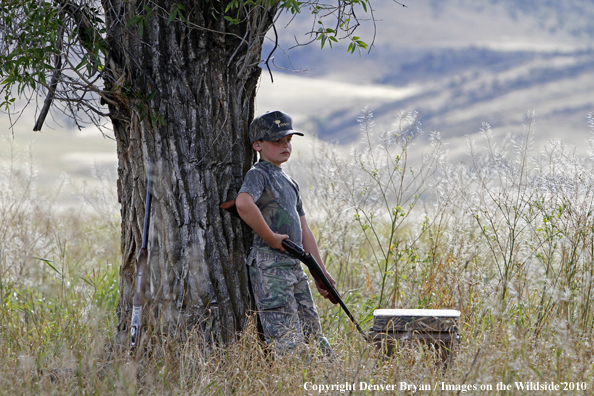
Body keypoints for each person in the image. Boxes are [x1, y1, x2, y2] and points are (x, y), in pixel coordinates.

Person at [235, 110, 335, 356]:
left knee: (313, 333)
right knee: (286, 339)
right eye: (277, 141)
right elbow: (243, 203)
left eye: (288, 140)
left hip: (294, 266)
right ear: (257, 145)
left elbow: (304, 230)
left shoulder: (289, 181)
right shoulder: (258, 175)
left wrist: (319, 272)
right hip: (271, 266)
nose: (285, 146)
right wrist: (270, 237)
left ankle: (321, 377)